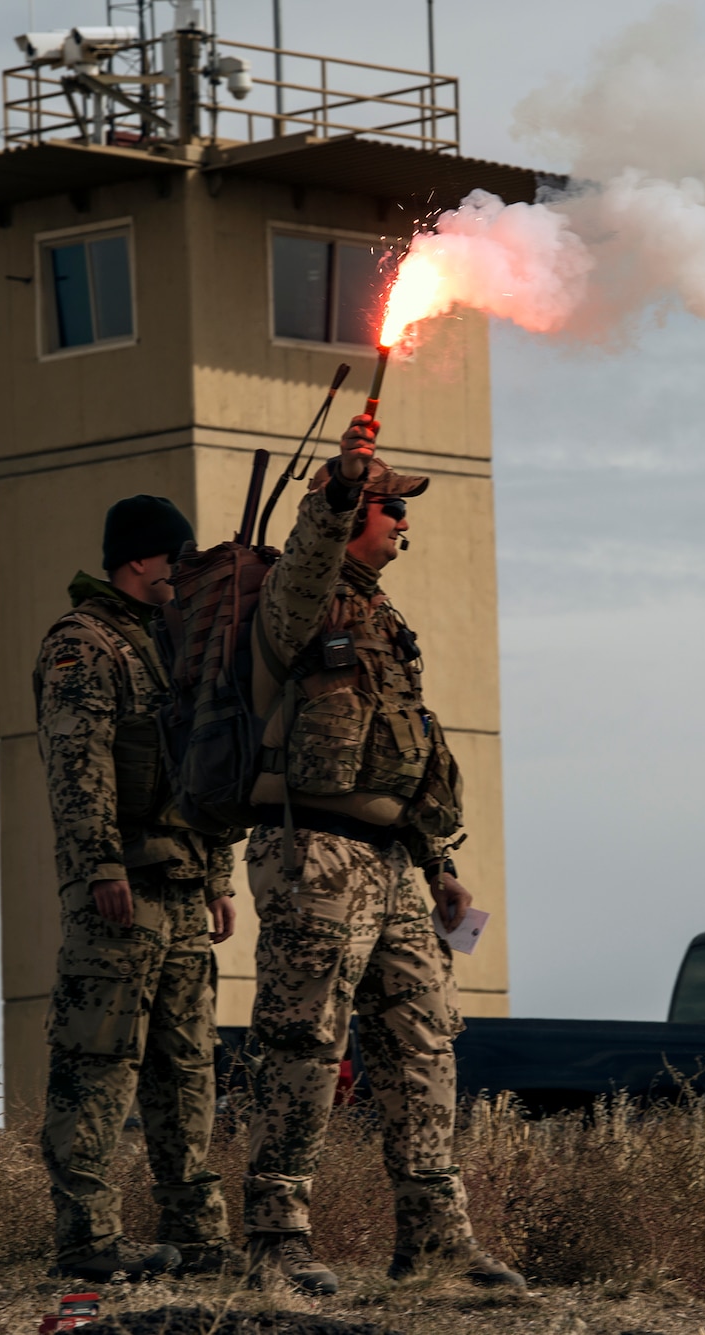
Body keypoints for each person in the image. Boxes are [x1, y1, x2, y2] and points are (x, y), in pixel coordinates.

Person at [238, 417, 525, 1295]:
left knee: (422, 1041)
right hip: (314, 852)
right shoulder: (302, 597)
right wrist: (336, 489)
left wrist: (435, 860)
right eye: (391, 508)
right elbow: (309, 549)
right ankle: (274, 1237)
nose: (405, 522)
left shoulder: (383, 616)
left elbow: (398, 750)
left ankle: (435, 1242)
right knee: (304, 1039)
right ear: (353, 511)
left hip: (394, 859)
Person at [34, 494, 242, 1282]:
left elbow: (206, 764)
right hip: (123, 889)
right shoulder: (82, 646)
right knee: (97, 1060)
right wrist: (99, 867)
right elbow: (75, 766)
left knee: (187, 1067)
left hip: (185, 886)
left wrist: (218, 873)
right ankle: (88, 1239)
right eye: (175, 561)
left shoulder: (169, 646)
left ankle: (196, 1235)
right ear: (141, 560)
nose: (181, 576)